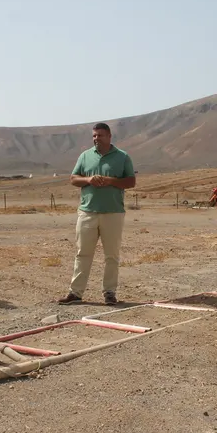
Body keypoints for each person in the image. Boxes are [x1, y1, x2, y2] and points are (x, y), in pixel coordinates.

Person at [58, 123, 136, 306]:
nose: (96, 139)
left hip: (113, 213)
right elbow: (73, 179)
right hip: (87, 212)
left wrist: (109, 180)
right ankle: (75, 293)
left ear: (109, 136)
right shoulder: (85, 156)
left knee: (111, 255)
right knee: (82, 253)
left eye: (100, 135)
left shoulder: (122, 157)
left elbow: (131, 181)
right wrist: (89, 179)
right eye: (94, 136)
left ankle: (110, 292)